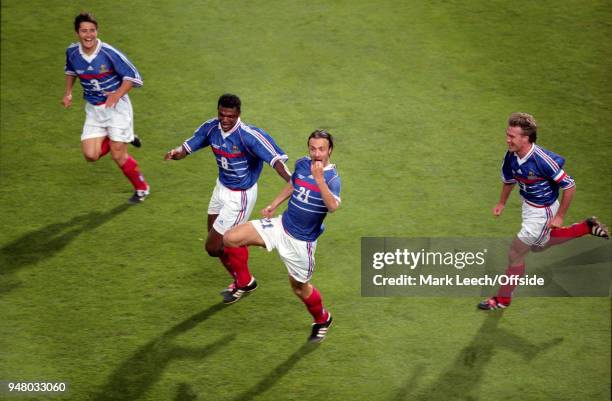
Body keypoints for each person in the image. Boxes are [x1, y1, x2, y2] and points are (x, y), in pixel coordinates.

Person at [164, 94, 291, 300]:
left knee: (213, 246)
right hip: (220, 188)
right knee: (217, 244)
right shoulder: (211, 128)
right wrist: (176, 153)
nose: (225, 120)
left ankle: (245, 280)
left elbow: (275, 160)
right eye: (222, 114)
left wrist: (291, 180)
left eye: (230, 116)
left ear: (238, 114)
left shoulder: (249, 136)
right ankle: (243, 281)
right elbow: (190, 145)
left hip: (239, 196)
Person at [478, 112, 609, 310]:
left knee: (515, 253)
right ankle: (585, 227)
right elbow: (509, 180)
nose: (508, 139)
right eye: (507, 134)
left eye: (512, 136)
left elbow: (570, 186)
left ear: (526, 138)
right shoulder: (511, 155)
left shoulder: (542, 161)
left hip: (543, 212)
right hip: (528, 208)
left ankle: (502, 299)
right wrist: (502, 202)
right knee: (540, 246)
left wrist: (559, 216)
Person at [224, 130, 341, 343]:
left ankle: (323, 319)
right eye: (312, 148)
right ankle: (245, 281)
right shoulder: (302, 164)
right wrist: (274, 204)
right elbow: (294, 184)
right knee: (231, 238)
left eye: (321, 149)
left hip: (301, 242)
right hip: (280, 225)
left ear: (330, 150)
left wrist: (319, 179)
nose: (316, 153)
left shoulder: (333, 178)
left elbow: (332, 206)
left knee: (299, 288)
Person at [62, 12, 149, 204]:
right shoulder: (72, 52)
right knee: (90, 155)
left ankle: (142, 188)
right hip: (94, 108)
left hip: (117, 108)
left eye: (92, 30)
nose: (88, 35)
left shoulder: (109, 53)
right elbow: (70, 70)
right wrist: (68, 92)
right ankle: (121, 136)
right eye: (84, 31)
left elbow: (134, 77)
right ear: (77, 32)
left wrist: (117, 94)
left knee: (118, 155)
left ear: (97, 31)